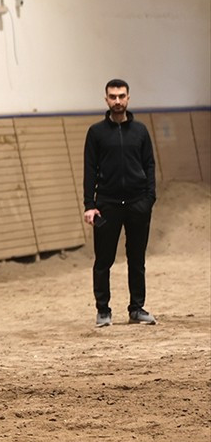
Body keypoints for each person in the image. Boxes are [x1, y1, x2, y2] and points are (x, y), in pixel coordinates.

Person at [83, 79, 158, 327]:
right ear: (106, 99)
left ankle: (136, 308)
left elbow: (149, 165)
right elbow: (89, 170)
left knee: (137, 260)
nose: (117, 101)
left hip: (138, 204)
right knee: (103, 260)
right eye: (113, 96)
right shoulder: (96, 133)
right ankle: (103, 310)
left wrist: (149, 199)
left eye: (121, 96)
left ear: (128, 98)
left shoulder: (140, 131)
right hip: (107, 205)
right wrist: (89, 204)